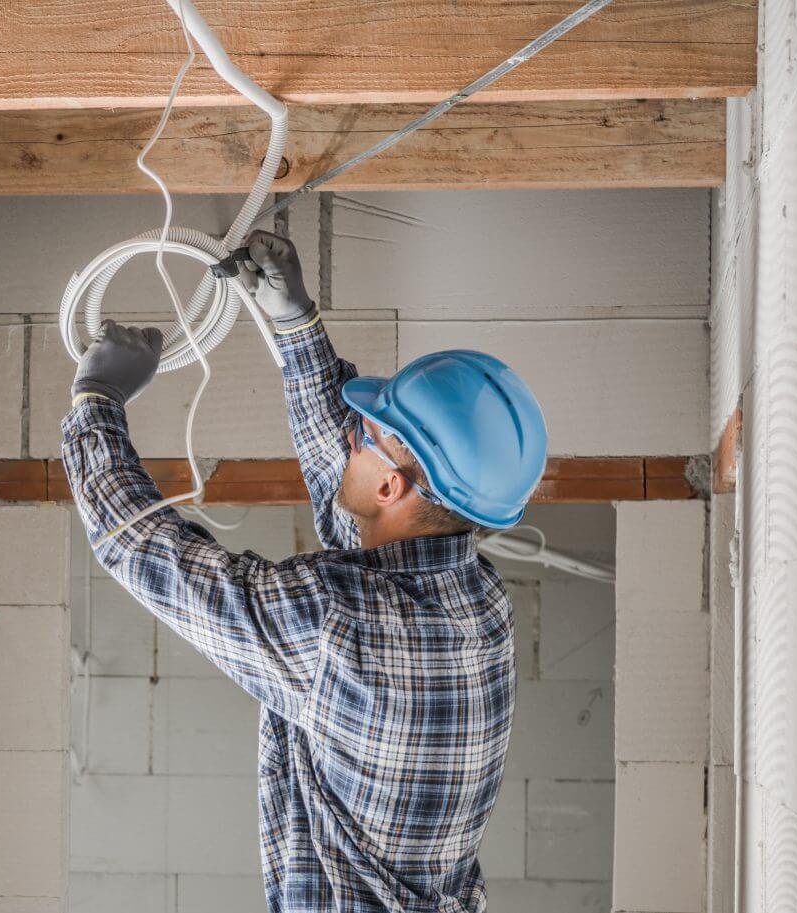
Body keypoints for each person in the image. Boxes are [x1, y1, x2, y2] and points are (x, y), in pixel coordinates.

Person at [61, 229, 548, 913]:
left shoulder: (353, 620)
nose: (351, 430)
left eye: (365, 431)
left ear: (391, 488)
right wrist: (297, 326)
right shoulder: (469, 597)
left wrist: (95, 402)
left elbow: (142, 548)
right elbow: (355, 516)